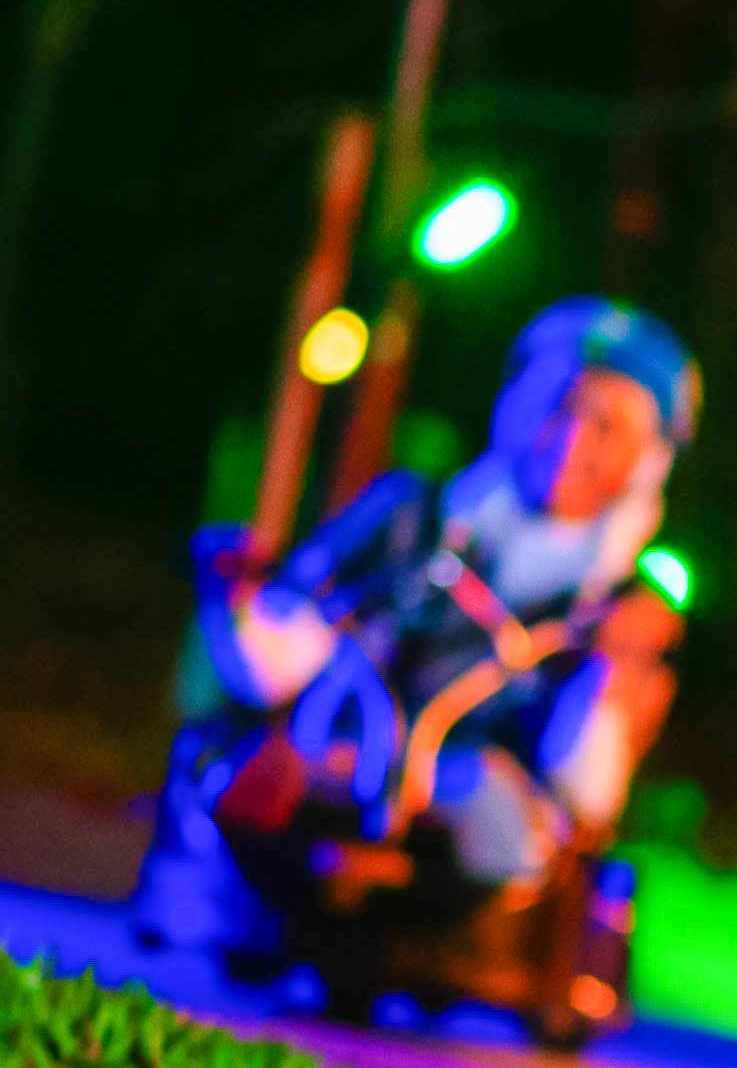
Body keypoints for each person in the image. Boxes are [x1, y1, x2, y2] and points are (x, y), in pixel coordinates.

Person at [153, 297, 695, 959]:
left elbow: (587, 785)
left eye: (605, 426)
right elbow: (283, 651)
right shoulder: (410, 514)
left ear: (648, 460)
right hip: (347, 751)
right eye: (555, 405)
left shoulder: (620, 601)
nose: (569, 440)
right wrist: (240, 599)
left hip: (480, 800)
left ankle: (481, 943)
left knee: (510, 826)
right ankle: (212, 886)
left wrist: (611, 675)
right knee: (248, 754)